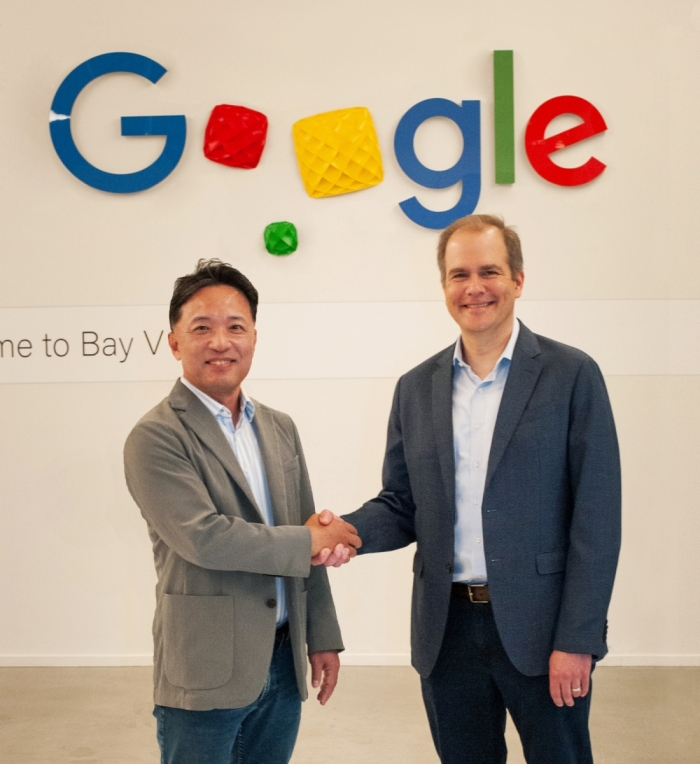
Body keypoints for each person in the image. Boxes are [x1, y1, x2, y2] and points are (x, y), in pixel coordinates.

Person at [339, 215, 621, 763]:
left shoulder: (572, 374)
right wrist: (346, 532)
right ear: (444, 285)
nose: (474, 288)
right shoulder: (415, 388)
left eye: (489, 271)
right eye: (459, 274)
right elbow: (402, 504)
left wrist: (578, 639)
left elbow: (598, 519)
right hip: (446, 633)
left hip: (544, 631)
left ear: (518, 279)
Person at [124, 259, 360, 764]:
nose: (220, 342)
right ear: (174, 342)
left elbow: (308, 527)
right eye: (201, 328)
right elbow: (205, 538)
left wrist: (322, 635)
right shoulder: (156, 436)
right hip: (205, 668)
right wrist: (311, 540)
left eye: (235, 327)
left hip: (283, 659)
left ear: (254, 337)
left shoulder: (279, 427)